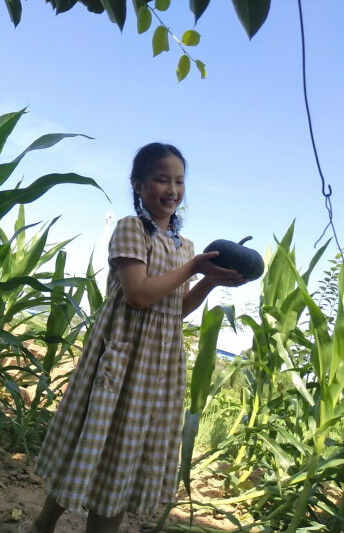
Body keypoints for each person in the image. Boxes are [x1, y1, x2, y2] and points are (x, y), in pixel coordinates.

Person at [30, 143, 244, 533]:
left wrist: (208, 281)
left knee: (122, 459)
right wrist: (193, 268)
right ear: (139, 184)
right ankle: (44, 522)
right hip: (121, 357)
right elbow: (140, 294)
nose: (172, 189)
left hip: (158, 368)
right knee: (90, 444)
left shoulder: (186, 247)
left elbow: (175, 308)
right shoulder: (131, 228)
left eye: (179, 181)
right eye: (162, 179)